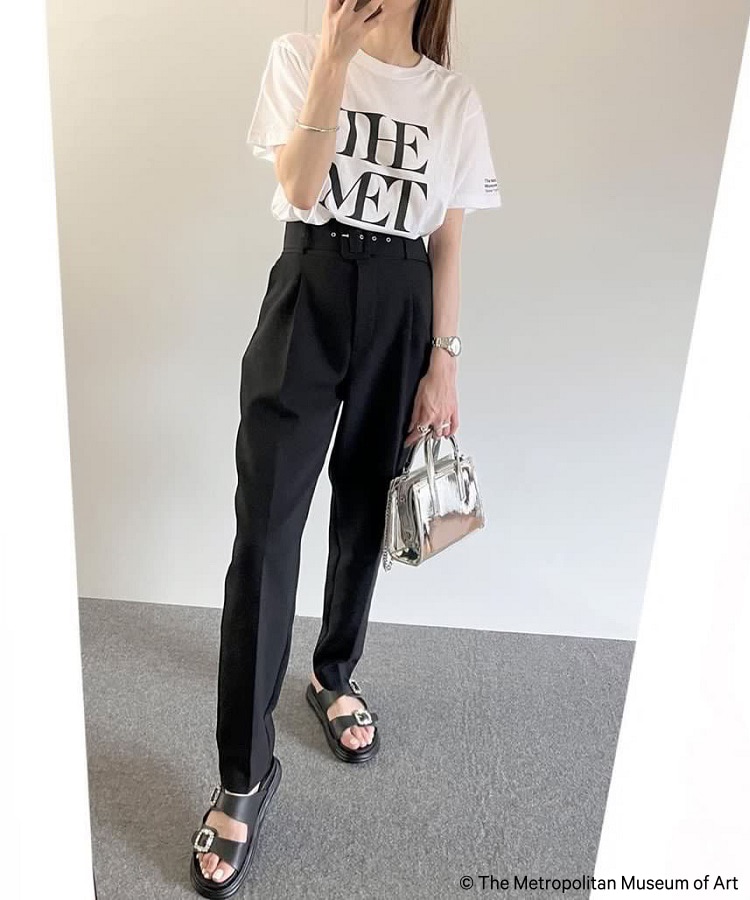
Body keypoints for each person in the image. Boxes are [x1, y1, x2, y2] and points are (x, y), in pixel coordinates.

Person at [189, 0, 501, 893]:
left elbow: (448, 237)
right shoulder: (300, 55)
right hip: (310, 283)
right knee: (265, 533)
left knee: (364, 511)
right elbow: (298, 187)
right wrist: (333, 60)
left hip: (402, 303)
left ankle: (332, 674)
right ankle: (245, 772)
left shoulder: (453, 97)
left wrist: (444, 360)